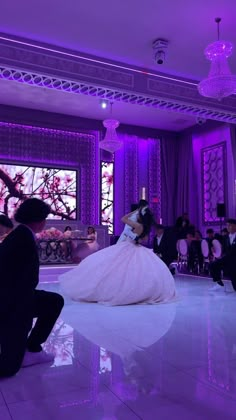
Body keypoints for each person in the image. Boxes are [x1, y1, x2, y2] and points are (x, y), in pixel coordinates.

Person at [0, 198, 64, 377]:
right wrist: (22, 318)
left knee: (54, 301)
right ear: (38, 219)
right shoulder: (22, 238)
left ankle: (33, 348)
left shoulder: (20, 234)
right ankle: (30, 349)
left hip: (15, 295)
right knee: (9, 367)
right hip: (12, 301)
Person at [60, 207, 176, 306]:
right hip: (136, 248)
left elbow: (123, 219)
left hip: (128, 247)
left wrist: (133, 212)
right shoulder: (145, 228)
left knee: (112, 268)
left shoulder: (137, 225)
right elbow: (143, 240)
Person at [209, 218, 236, 292]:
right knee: (213, 265)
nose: (228, 227)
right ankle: (219, 284)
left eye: (230, 225)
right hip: (227, 260)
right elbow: (222, 248)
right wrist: (213, 248)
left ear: (235, 226)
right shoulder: (226, 237)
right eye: (227, 225)